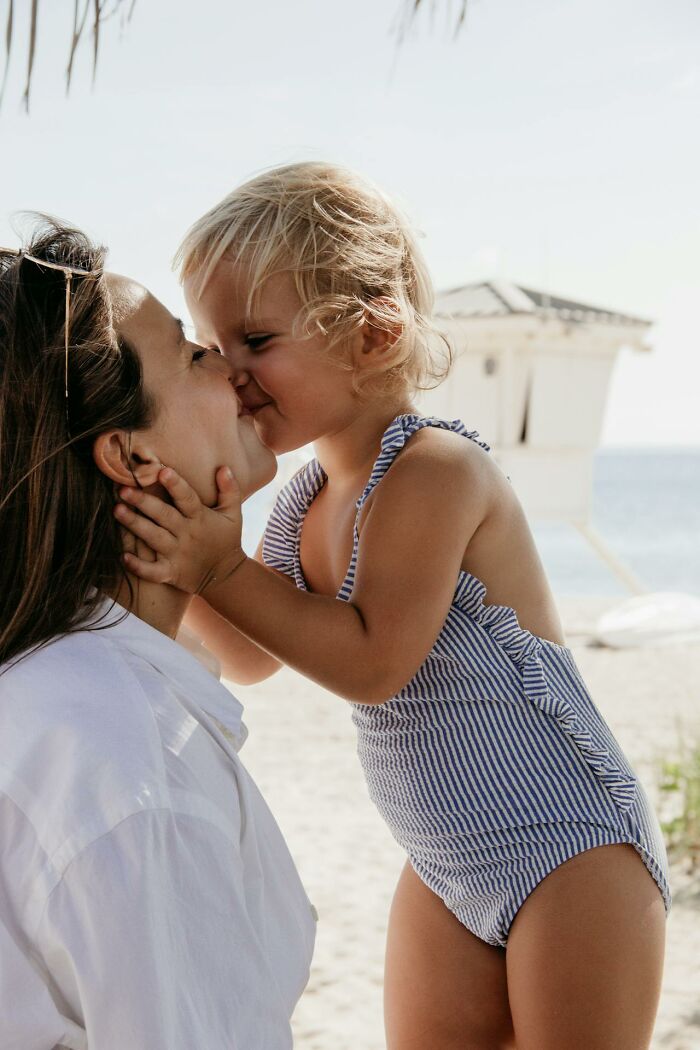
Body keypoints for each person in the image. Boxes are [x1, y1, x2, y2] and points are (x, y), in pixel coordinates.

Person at [117, 163, 671, 1050]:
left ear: (372, 337)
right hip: (448, 854)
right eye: (215, 347)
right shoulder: (303, 499)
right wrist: (177, 549)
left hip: (570, 844)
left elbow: (374, 665)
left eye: (256, 339)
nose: (231, 371)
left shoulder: (433, 471)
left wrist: (218, 565)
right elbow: (258, 655)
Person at [0, 220, 316, 1050]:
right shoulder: (132, 767)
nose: (230, 367)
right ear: (131, 459)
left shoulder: (44, 693)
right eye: (192, 353)